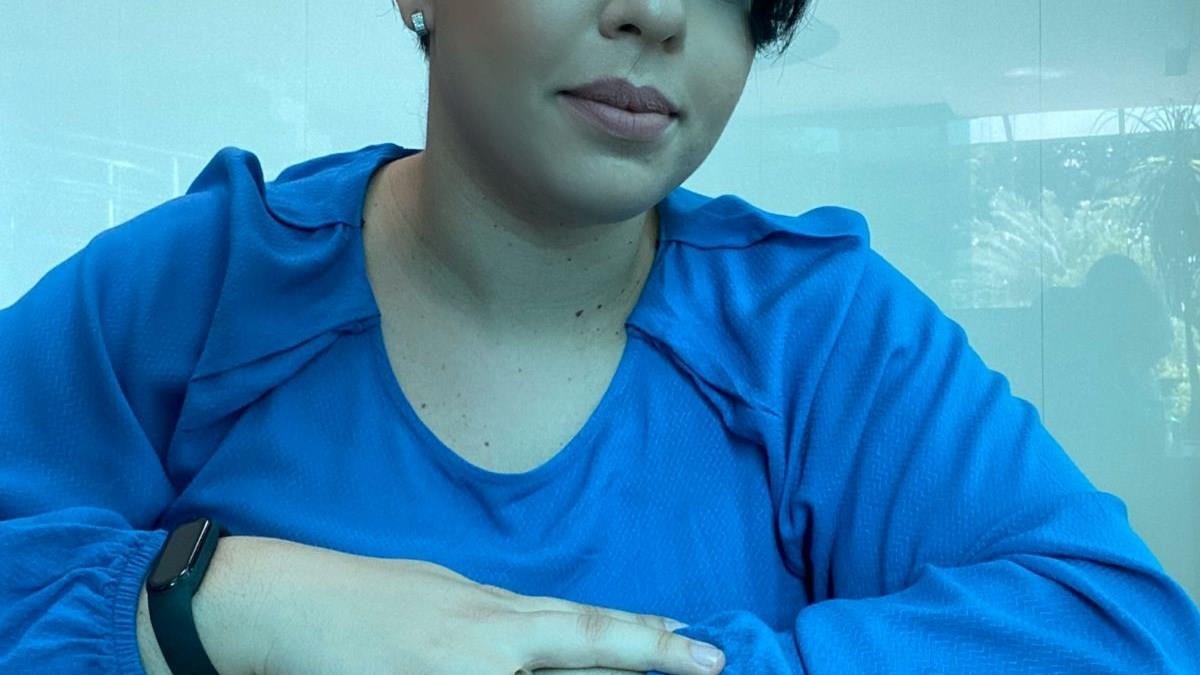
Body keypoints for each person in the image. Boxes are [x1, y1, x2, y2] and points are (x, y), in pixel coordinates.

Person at [3, 1, 1199, 673]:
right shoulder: (196, 290)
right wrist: (213, 606)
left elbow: (1120, 634)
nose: (661, 14)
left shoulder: (816, 331)